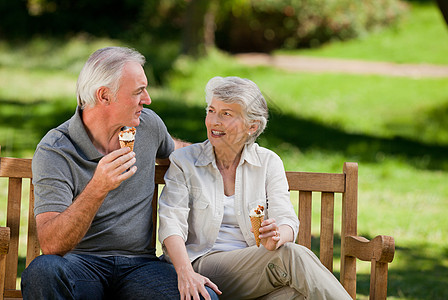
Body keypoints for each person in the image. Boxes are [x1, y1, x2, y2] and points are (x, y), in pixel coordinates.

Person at [21, 47, 217, 300]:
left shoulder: (148, 126)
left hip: (140, 267)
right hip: (80, 266)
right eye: (138, 92)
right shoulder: (56, 149)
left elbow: (180, 151)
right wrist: (98, 187)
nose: (147, 99)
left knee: (204, 297)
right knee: (42, 271)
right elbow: (51, 244)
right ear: (104, 96)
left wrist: (228, 149)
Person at [158, 76, 353, 300]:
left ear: (252, 126)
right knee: (289, 256)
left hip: (254, 274)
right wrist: (186, 273)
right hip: (202, 267)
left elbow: (286, 218)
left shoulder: (268, 162)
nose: (214, 121)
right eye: (211, 111)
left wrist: (278, 237)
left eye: (226, 114)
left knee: (298, 295)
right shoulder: (185, 161)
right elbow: (171, 223)